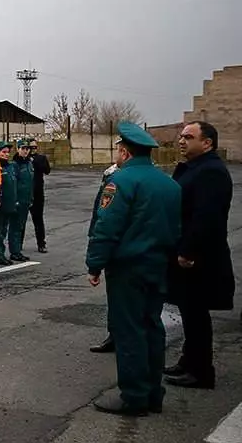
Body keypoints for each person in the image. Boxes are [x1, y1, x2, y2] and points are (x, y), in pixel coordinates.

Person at [86, 122, 180, 416]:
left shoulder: (121, 182)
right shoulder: (170, 184)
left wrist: (95, 263)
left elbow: (107, 227)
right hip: (158, 265)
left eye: (118, 148)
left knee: (128, 331)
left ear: (125, 152)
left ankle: (134, 397)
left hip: (128, 268)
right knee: (153, 326)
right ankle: (153, 392)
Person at [165, 121, 235, 389]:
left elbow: (206, 217)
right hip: (190, 253)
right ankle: (188, 361)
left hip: (199, 258)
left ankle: (201, 371)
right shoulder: (197, 168)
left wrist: (188, 251)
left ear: (207, 143)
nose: (181, 141)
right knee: (190, 311)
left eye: (188, 137)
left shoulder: (211, 172)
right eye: (181, 136)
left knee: (196, 314)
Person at [88, 163, 120, 354]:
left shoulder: (119, 180)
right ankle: (114, 335)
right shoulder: (112, 172)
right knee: (116, 298)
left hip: (122, 251)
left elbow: (106, 221)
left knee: (122, 298)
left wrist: (95, 264)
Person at [0, 141, 16, 267]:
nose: (6, 155)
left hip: (9, 204)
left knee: (4, 230)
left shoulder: (10, 167)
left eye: (7, 152)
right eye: (3, 152)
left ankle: (1, 253)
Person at [8, 140, 34, 262]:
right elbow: (14, 184)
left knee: (20, 226)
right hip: (18, 200)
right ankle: (15, 251)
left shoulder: (29, 163)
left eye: (27, 148)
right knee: (15, 226)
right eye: (23, 148)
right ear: (18, 149)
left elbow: (30, 183)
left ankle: (17, 250)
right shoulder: (15, 164)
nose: (25, 151)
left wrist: (31, 198)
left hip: (26, 200)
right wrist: (15, 199)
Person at [29, 139, 51, 253]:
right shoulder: (22, 159)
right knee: (20, 221)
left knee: (38, 219)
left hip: (37, 193)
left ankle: (41, 243)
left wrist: (36, 161)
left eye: (34, 148)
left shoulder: (41, 158)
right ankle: (17, 245)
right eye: (30, 148)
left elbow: (47, 170)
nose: (32, 150)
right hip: (26, 194)